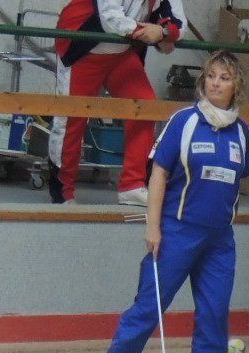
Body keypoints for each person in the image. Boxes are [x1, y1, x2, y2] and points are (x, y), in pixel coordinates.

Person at [94, 51, 249, 353]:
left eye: (224, 77)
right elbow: (159, 174)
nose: (216, 83)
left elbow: (237, 182)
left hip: (220, 240)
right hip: (177, 232)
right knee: (149, 307)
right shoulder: (184, 121)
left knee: (214, 311)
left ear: (236, 85)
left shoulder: (242, 132)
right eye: (211, 76)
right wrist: (153, 226)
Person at [49, 0, 184, 206]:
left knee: (145, 107)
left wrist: (164, 32)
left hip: (121, 53)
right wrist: (154, 33)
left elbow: (180, 23)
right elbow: (110, 17)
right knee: (71, 121)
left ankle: (133, 184)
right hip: (83, 48)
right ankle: (62, 189)